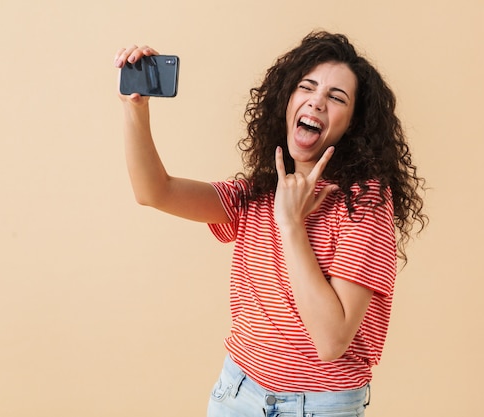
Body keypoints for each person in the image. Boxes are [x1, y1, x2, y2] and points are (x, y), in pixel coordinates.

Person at [114, 31, 427, 417]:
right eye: (307, 87)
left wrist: (291, 224)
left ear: (355, 123)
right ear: (288, 99)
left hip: (319, 407)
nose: (317, 100)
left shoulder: (364, 203)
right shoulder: (257, 192)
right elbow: (155, 191)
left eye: (336, 97)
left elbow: (331, 341)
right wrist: (135, 109)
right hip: (237, 393)